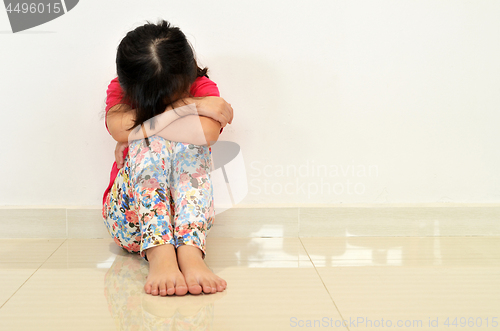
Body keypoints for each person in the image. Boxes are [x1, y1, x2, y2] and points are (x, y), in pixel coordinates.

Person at [101, 19, 233, 296]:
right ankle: (159, 251)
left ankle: (190, 253)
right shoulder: (121, 87)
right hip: (131, 221)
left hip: (188, 221)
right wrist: (188, 108)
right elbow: (117, 128)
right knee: (149, 143)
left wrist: (139, 128)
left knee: (186, 142)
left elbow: (207, 133)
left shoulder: (200, 85)